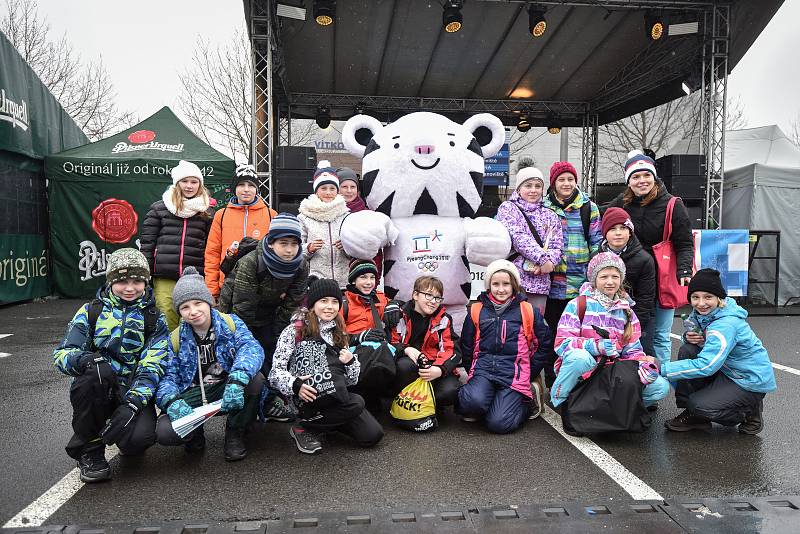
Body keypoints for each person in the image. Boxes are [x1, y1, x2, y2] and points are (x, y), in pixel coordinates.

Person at [53, 248, 169, 483]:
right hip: (98, 386)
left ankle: (122, 427)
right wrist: (86, 360)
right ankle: (90, 450)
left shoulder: (155, 318)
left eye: (137, 281)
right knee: (92, 377)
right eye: (122, 281)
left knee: (138, 442)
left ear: (146, 282)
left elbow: (153, 366)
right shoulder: (91, 311)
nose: (130, 288)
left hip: (131, 389)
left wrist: (133, 404)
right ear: (110, 281)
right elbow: (62, 355)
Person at [551, 252, 670, 436]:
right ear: (594, 279)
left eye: (615, 276)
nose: (610, 282)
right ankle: (563, 402)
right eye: (604, 276)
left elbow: (633, 350)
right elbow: (562, 343)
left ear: (621, 279)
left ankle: (608, 410)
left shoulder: (627, 312)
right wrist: (595, 346)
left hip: (611, 373)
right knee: (580, 358)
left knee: (660, 386)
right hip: (587, 370)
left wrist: (644, 365)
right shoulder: (578, 304)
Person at [155, 267, 265, 462]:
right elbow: (167, 377)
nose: (193, 311)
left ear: (208, 302)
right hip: (196, 393)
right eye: (185, 307)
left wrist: (237, 379)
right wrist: (171, 402)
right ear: (179, 311)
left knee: (255, 380)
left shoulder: (230, 323)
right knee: (165, 430)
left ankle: (235, 431)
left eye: (198, 303)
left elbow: (251, 348)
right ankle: (194, 433)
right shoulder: (175, 339)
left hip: (227, 387)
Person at [269, 278, 384, 454]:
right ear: (312, 304)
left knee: (372, 435)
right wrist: (295, 384)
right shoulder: (294, 331)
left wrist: (351, 362)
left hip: (335, 395)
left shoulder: (339, 332)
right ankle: (304, 427)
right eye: (323, 301)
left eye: (335, 301)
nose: (329, 306)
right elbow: (274, 372)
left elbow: (352, 381)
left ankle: (327, 423)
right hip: (306, 398)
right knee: (357, 402)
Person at [604, 151, 694, 366]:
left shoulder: (673, 204)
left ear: (654, 177)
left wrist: (684, 269)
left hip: (662, 278)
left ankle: (659, 380)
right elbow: (602, 215)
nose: (641, 181)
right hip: (632, 278)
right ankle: (630, 377)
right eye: (635, 177)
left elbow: (685, 242)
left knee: (660, 335)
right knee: (627, 331)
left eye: (646, 175)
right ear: (628, 181)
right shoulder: (623, 202)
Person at [662, 269, 776, 435]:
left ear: (719, 298)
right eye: (695, 297)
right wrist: (688, 337)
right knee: (688, 350)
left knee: (699, 404)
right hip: (727, 370)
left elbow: (707, 365)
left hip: (748, 379)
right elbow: (701, 343)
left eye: (708, 297)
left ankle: (749, 410)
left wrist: (663, 369)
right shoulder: (702, 313)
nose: (701, 303)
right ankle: (695, 417)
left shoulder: (725, 324)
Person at [223, 212, 309, 421]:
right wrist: (247, 339)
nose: (289, 250)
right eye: (283, 243)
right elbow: (242, 306)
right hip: (237, 310)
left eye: (294, 244)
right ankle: (253, 402)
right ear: (271, 243)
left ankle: (271, 400)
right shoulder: (251, 262)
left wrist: (278, 334)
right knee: (252, 353)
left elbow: (293, 301)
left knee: (273, 348)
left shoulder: (301, 264)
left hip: (272, 311)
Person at [458, 260, 554, 433]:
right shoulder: (476, 310)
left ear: (514, 285)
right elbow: (466, 345)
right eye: (495, 284)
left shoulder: (527, 310)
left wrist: (529, 372)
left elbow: (545, 343)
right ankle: (493, 399)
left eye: (506, 284)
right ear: (488, 285)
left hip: (513, 375)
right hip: (484, 371)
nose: (501, 289)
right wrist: (472, 370)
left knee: (499, 424)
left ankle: (529, 401)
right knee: (469, 404)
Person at [542, 161, 602, 385]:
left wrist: (595, 278)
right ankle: (551, 377)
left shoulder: (589, 207)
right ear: (553, 183)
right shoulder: (543, 206)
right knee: (551, 333)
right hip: (549, 284)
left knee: (577, 333)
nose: (566, 184)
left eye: (570, 179)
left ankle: (576, 377)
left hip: (579, 284)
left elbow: (596, 243)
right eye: (561, 180)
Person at [141, 160, 213, 331]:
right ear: (176, 183)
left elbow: (212, 248)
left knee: (193, 318)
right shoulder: (159, 208)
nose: (189, 186)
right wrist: (145, 274)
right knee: (165, 317)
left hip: (195, 276)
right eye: (184, 181)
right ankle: (167, 354)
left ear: (200, 185)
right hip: (164, 274)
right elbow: (147, 244)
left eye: (194, 182)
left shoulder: (208, 213)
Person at [496, 158, 563, 313]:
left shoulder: (550, 214)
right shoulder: (508, 209)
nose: (533, 190)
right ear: (518, 188)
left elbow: (557, 245)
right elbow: (518, 237)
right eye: (528, 185)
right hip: (513, 280)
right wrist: (542, 259)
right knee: (512, 325)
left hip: (540, 282)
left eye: (538, 186)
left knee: (535, 327)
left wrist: (549, 264)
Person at [204, 163, 277, 301]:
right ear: (234, 188)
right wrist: (212, 290)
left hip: (261, 288)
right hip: (227, 287)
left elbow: (278, 254)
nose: (246, 189)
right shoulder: (221, 215)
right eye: (241, 185)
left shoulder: (271, 215)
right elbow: (212, 254)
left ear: (257, 189)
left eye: (251, 185)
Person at [391, 276, 462, 417]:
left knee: (452, 390)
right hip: (410, 367)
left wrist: (440, 369)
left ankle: (430, 407)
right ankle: (403, 405)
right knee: (404, 366)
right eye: (428, 295)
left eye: (437, 298)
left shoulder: (444, 319)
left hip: (434, 367)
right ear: (415, 295)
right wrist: (405, 349)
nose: (433, 301)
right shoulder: (400, 315)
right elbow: (391, 342)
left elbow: (450, 348)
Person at [597, 207, 656, 357]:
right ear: (605, 233)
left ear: (630, 231)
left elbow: (646, 299)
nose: (618, 233)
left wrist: (632, 325)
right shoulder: (595, 256)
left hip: (636, 318)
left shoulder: (645, 259)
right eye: (612, 229)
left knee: (643, 359)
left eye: (623, 228)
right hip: (602, 319)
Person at [298, 162, 351, 286]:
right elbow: (295, 250)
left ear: (337, 191)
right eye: (323, 188)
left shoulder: (347, 216)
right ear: (316, 191)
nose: (328, 192)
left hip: (344, 281)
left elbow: (357, 250)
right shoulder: (304, 217)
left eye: (332, 188)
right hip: (316, 281)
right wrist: (309, 248)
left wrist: (347, 247)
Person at [338, 166, 383, 280]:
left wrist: (374, 278)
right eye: (344, 187)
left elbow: (376, 251)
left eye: (353, 187)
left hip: (360, 279)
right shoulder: (329, 213)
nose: (349, 191)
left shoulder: (368, 215)